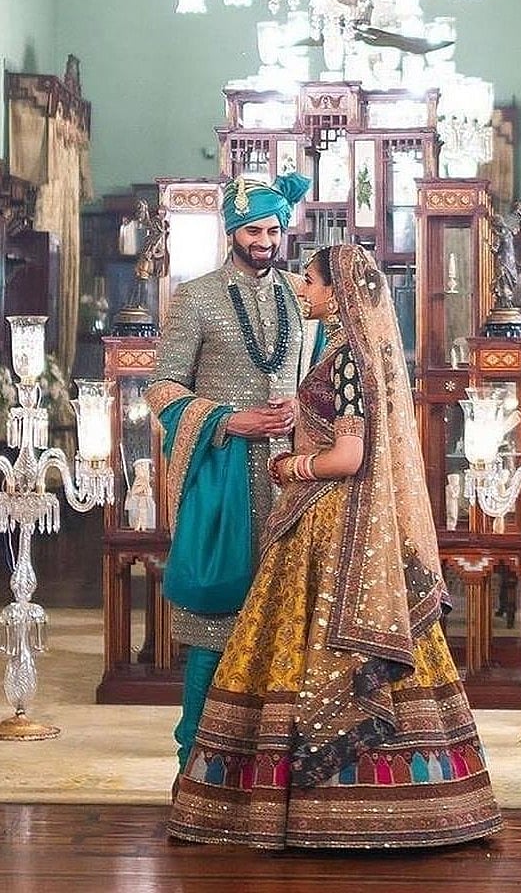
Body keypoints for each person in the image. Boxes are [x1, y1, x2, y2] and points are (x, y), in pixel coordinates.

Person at [168, 243, 502, 850]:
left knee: (304, 644)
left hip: (327, 521)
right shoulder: (357, 354)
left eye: (315, 284)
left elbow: (348, 458)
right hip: (333, 521)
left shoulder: (346, 360)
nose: (304, 290)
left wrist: (293, 465)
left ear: (337, 292)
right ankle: (410, 794)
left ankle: (295, 804)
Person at [145, 172, 321, 778]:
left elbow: (314, 377)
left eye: (275, 229)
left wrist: (305, 408)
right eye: (254, 230)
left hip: (294, 479)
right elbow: (162, 388)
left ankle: (269, 764)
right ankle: (192, 762)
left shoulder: (304, 297)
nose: (267, 240)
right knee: (214, 619)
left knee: (286, 618)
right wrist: (228, 421)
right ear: (232, 233)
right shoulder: (196, 297)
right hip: (221, 478)